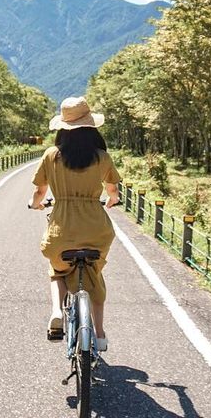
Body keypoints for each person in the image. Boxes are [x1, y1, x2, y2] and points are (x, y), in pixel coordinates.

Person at [30, 96, 121, 352]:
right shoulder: (101, 157)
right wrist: (111, 201)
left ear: (63, 128)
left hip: (62, 228)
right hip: (97, 229)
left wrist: (37, 204)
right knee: (94, 274)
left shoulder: (52, 156)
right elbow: (113, 191)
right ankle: (100, 334)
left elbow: (39, 193)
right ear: (91, 128)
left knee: (57, 270)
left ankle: (56, 311)